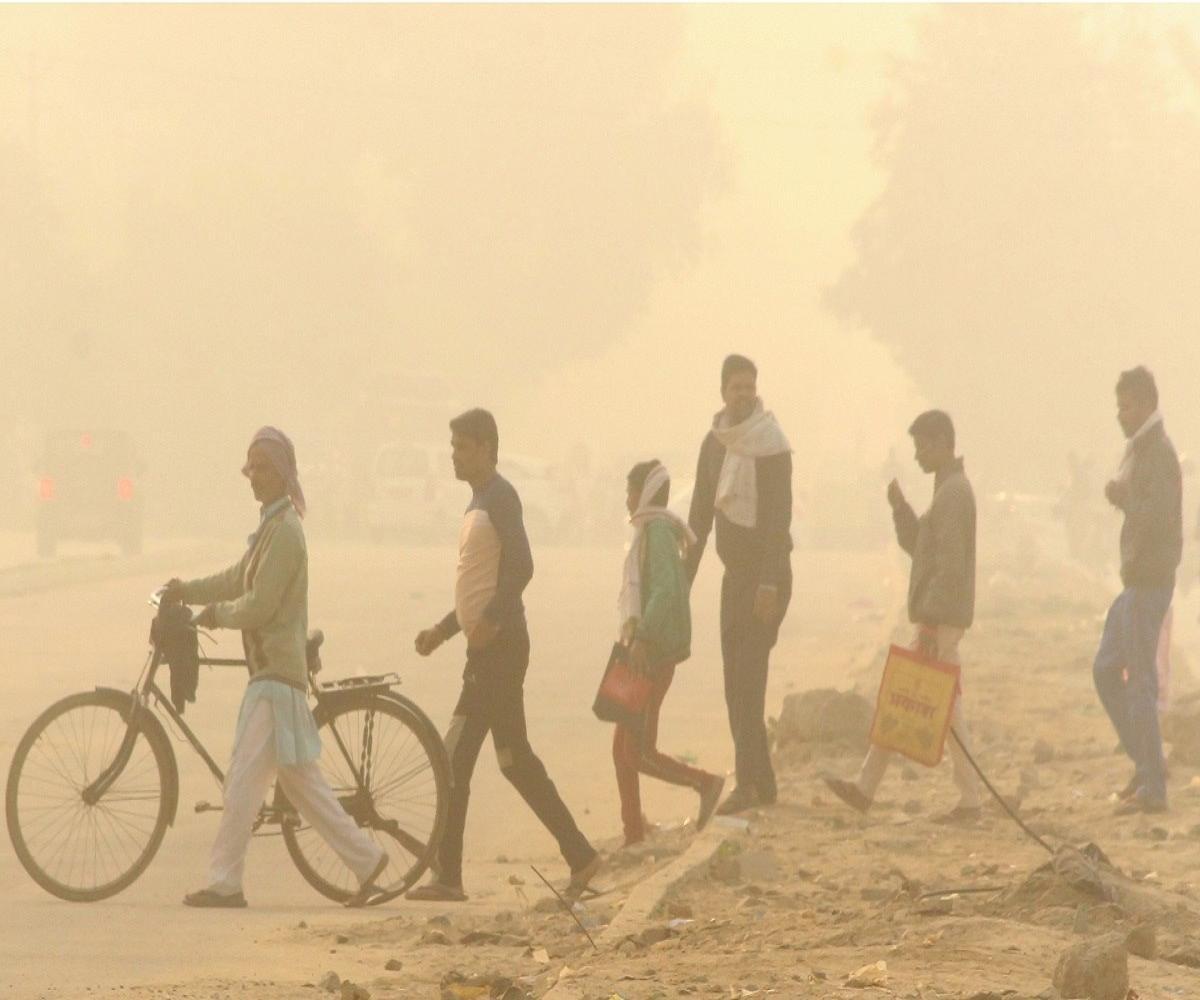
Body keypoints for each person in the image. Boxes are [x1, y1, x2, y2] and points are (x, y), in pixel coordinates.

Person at [164, 427, 388, 908]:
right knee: (303, 787)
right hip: (272, 677)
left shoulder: (286, 533)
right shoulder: (271, 528)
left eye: (264, 468)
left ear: (284, 472)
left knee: (243, 780)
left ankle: (225, 882)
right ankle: (367, 861)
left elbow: (259, 605)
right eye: (251, 468)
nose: (254, 477)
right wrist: (188, 589)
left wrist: (215, 616)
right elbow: (235, 578)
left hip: (274, 680)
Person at [406, 409, 601, 902]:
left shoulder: (502, 497)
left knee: (453, 759)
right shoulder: (477, 501)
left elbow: (522, 566)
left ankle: (448, 876)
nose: (453, 455)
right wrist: (443, 630)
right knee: (515, 761)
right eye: (452, 446)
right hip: (488, 647)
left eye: (462, 446)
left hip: (500, 650)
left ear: (487, 447)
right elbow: (478, 586)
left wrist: (491, 620)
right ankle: (581, 855)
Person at [824, 410, 984, 823]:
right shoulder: (946, 491)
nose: (918, 456)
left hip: (940, 618)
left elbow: (948, 568)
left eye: (924, 447)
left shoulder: (954, 494)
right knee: (937, 707)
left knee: (910, 700)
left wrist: (929, 623)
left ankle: (870, 789)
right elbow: (921, 549)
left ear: (945, 442)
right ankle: (963, 798)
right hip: (941, 617)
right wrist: (900, 509)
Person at [686, 354, 793, 816]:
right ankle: (761, 782)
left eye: (750, 386)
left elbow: (777, 519)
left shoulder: (772, 445)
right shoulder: (714, 445)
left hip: (767, 579)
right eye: (736, 387)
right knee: (735, 684)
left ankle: (747, 784)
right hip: (735, 579)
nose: (744, 394)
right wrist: (679, 584)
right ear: (723, 392)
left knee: (749, 682)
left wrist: (768, 584)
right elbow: (698, 516)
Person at [613, 460, 726, 846]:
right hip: (641, 650)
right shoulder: (653, 529)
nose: (627, 500)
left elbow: (663, 591)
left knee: (638, 751)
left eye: (630, 491)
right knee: (621, 747)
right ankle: (633, 832)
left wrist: (642, 637)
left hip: (652, 654)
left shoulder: (658, 532)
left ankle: (706, 784)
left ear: (642, 493)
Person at [1095, 366, 1182, 815]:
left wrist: (1123, 498)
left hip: (1149, 582)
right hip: (1136, 581)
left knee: (1139, 681)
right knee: (1106, 671)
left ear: (1147, 403)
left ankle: (1153, 785)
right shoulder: (1142, 450)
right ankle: (1147, 765)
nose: (1121, 414)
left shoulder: (1159, 454)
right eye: (1119, 406)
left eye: (1127, 405)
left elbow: (1156, 517)